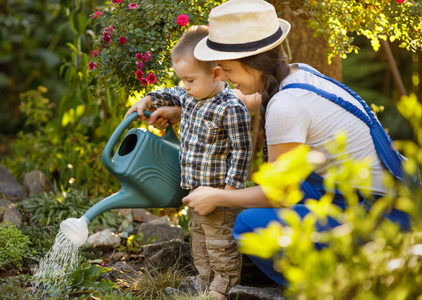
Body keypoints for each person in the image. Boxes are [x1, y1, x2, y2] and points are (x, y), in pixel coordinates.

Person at [145, 0, 412, 288]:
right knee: (270, 192)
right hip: (385, 195)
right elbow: (245, 102)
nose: (225, 78)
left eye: (228, 70)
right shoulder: (296, 74)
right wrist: (179, 112)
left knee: (248, 225)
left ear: (249, 62)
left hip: (384, 219)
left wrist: (217, 196)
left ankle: (345, 285)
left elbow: (279, 194)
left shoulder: (286, 107)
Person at [124, 25, 252, 299]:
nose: (185, 86)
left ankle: (224, 286)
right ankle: (204, 281)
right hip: (193, 190)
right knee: (199, 237)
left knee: (220, 240)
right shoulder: (190, 96)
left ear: (216, 73)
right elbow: (170, 92)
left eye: (190, 79)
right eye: (183, 79)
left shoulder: (231, 107)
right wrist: (148, 98)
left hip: (217, 191)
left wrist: (229, 191)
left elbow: (242, 151)